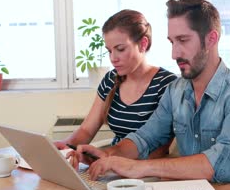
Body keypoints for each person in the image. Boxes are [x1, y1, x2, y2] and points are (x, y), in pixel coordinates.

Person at [71, 0, 230, 183]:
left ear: (211, 39)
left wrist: (138, 167)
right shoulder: (175, 91)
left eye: (183, 40)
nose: (175, 53)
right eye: (172, 42)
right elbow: (144, 138)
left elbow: (226, 164)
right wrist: (108, 155)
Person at [55, 9, 177, 159]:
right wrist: (64, 146)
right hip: (112, 164)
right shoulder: (110, 79)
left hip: (146, 170)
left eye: (120, 49)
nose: (113, 58)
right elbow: (86, 130)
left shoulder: (167, 85)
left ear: (143, 43)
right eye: (109, 51)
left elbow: (160, 149)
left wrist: (110, 161)